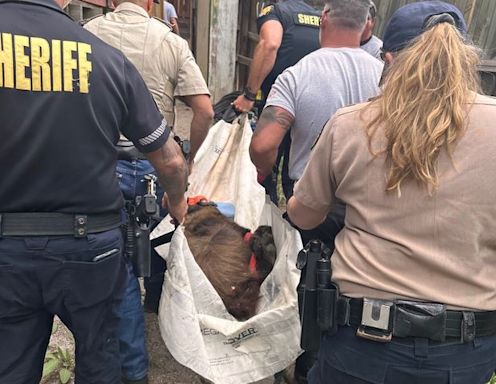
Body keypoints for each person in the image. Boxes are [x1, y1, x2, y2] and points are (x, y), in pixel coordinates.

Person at [287, 1, 496, 383]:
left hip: (361, 343)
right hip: (465, 348)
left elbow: (304, 215)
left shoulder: (350, 124)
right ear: (465, 58)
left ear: (387, 58)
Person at [0, 0, 188, 383]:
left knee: (10, 364)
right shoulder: (106, 58)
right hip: (91, 245)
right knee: (100, 357)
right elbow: (169, 160)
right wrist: (178, 200)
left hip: (7, 245)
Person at [84, 1, 212, 383]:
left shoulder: (88, 33)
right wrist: (191, 159)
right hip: (157, 161)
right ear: (153, 3)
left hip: (104, 161)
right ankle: (159, 306)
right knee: (163, 235)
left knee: (118, 259)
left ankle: (128, 359)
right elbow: (203, 110)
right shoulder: (170, 42)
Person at [250, 0, 382, 249]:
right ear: (366, 25)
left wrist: (265, 171)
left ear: (324, 18)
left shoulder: (296, 75)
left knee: (304, 277)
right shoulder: (387, 77)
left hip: (309, 205)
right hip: (367, 206)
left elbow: (262, 146)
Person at [233, 0, 321, 203]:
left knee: (263, 158)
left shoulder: (275, 12)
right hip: (312, 106)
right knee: (298, 170)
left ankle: (261, 204)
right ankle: (293, 217)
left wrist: (248, 95)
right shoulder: (318, 19)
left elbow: (270, 44)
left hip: (280, 104)